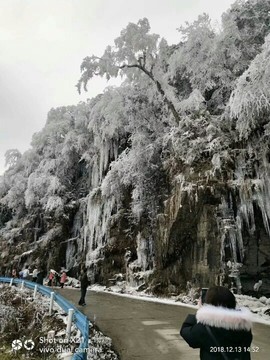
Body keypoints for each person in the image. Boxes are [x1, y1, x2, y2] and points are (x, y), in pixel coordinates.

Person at [180, 286, 253, 360]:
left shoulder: (205, 328)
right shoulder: (244, 326)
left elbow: (186, 332)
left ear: (210, 305)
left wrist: (200, 313)